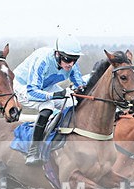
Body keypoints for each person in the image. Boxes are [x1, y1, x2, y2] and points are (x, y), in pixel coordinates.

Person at [12, 35, 86, 166]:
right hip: (23, 85)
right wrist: (58, 94)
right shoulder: (43, 61)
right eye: (68, 59)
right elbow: (32, 91)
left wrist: (79, 90)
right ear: (57, 54)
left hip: (46, 86)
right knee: (48, 106)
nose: (71, 64)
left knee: (72, 103)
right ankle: (33, 151)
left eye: (75, 60)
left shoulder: (71, 65)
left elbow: (80, 86)